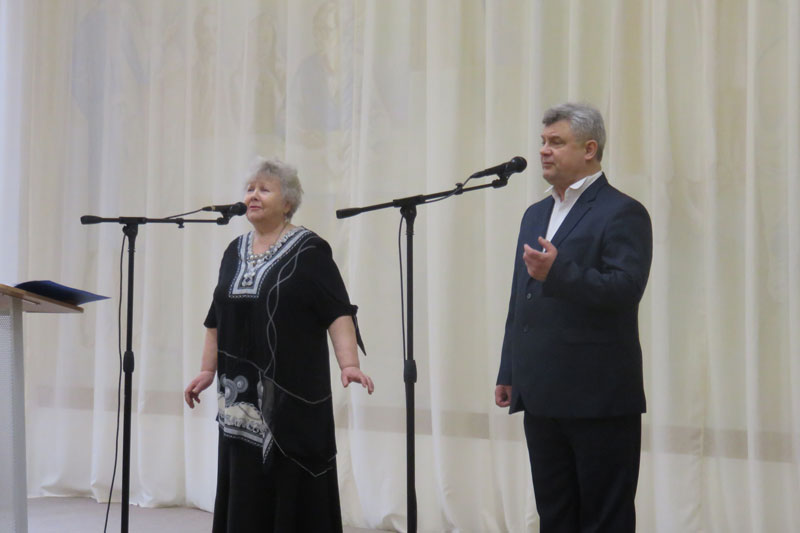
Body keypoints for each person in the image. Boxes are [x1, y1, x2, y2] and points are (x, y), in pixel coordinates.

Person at [184, 157, 374, 533]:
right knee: (245, 481)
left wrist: (349, 364)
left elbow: (337, 311)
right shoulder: (234, 251)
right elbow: (215, 317)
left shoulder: (310, 250)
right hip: (239, 400)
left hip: (292, 398)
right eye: (249, 189)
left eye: (264, 189)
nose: (253, 196)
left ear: (287, 202)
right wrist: (207, 371)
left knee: (289, 481)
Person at [495, 103, 653, 532]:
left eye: (556, 142)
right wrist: (510, 370)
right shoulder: (536, 213)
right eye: (543, 141)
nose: (543, 150)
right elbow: (520, 298)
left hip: (598, 396)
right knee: (555, 514)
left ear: (589, 149)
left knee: (604, 518)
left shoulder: (622, 211)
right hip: (541, 392)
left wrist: (559, 272)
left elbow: (626, 289)